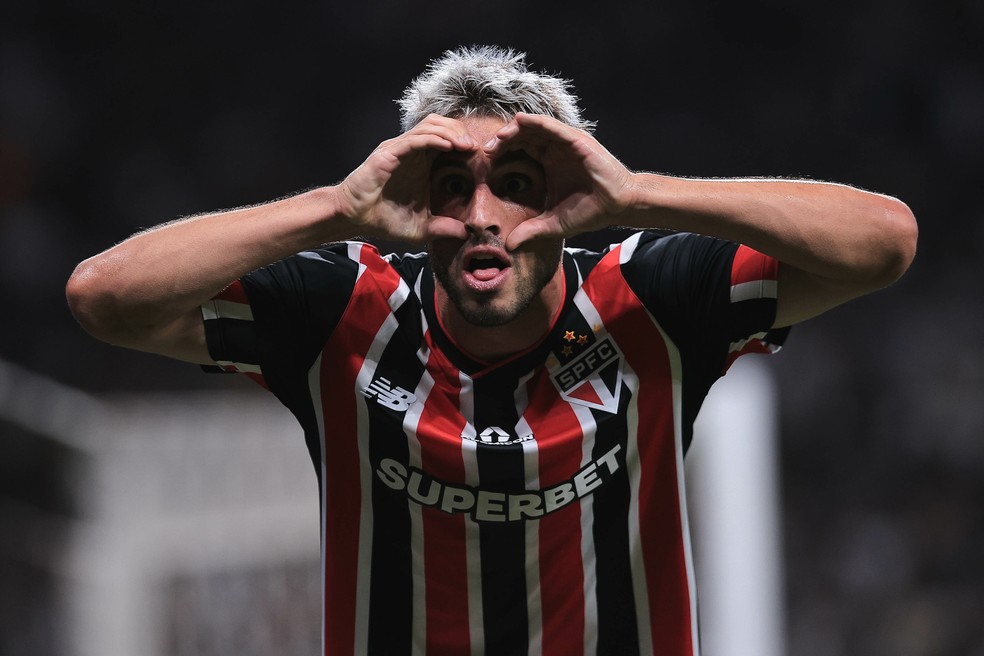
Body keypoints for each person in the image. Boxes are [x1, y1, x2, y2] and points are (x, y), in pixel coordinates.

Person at [66, 45, 917, 655]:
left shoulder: (650, 298)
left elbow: (884, 242)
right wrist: (337, 207)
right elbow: (106, 299)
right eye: (450, 186)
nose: (481, 215)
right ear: (408, 199)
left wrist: (638, 195)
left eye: (515, 185)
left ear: (570, 194)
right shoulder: (345, 310)